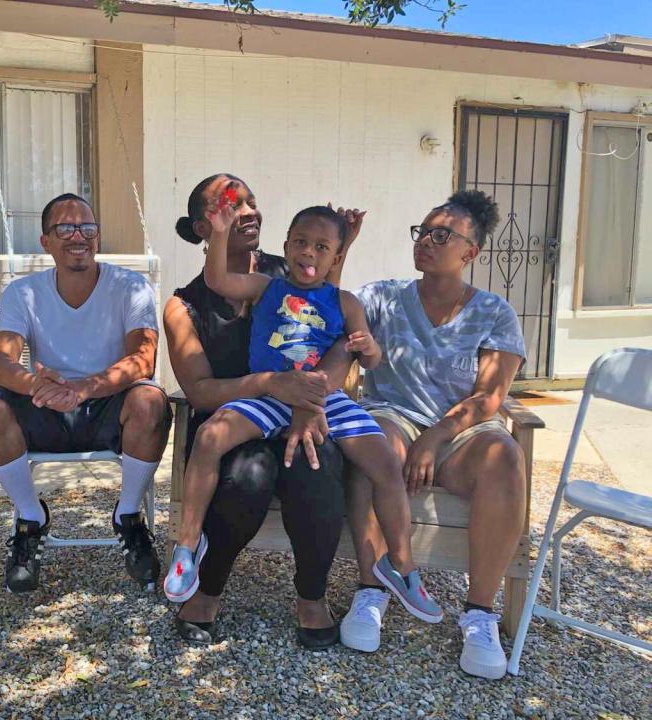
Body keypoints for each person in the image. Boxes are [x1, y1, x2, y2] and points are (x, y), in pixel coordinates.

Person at [164, 186, 443, 629]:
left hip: (324, 401)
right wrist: (220, 234)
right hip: (270, 396)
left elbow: (364, 354)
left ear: (334, 256)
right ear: (287, 243)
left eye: (321, 247)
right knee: (210, 436)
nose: (308, 253)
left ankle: (402, 566)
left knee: (383, 462)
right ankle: (187, 545)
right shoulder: (267, 288)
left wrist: (367, 346)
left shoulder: (344, 300)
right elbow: (218, 280)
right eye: (300, 243)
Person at [164, 173, 366, 649]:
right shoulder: (184, 306)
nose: (247, 210)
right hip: (231, 423)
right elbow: (200, 393)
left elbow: (330, 328)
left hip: (300, 413)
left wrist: (309, 399)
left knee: (319, 468)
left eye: (250, 200)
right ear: (203, 227)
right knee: (247, 477)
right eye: (231, 205)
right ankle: (208, 589)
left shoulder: (291, 271)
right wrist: (273, 384)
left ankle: (311, 597)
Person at [340, 190, 527, 680]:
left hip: (461, 430)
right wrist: (340, 248)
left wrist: (437, 436)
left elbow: (490, 396)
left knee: (505, 455)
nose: (426, 240)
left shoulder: (494, 313)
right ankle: (372, 590)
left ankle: (480, 612)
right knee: (372, 441)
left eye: (441, 235)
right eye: (422, 231)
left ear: (470, 252)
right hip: (394, 416)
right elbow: (328, 310)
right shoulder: (381, 297)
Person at [0, 193, 171, 595]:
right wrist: (35, 385)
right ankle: (31, 520)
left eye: (87, 226)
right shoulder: (22, 291)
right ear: (45, 241)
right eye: (64, 227)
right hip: (47, 406)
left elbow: (143, 359)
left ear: (98, 236)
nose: (77, 235)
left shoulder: (130, 286)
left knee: (150, 400)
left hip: (106, 407)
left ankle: (129, 517)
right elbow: (2, 363)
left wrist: (85, 388)